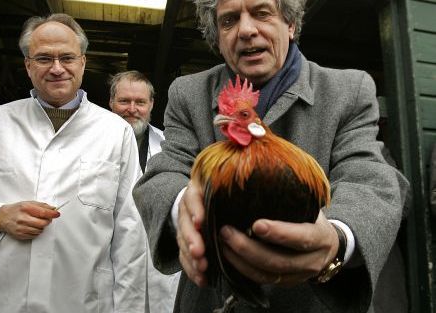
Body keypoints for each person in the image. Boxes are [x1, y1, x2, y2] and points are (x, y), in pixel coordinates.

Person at [132, 0, 410, 312]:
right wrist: (186, 207)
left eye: (262, 13)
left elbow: (370, 176)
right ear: (218, 37)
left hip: (312, 303)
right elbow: (165, 169)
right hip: (213, 298)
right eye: (229, 20)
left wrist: (336, 239)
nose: (247, 30)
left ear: (290, 25)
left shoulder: (348, 89)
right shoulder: (189, 93)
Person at [0, 13, 146, 313]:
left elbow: (131, 236)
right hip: (2, 301)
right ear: (28, 65)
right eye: (44, 58)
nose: (57, 68)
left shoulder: (115, 132)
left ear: (83, 63)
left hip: (83, 303)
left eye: (67, 58)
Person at [109, 70, 181, 313]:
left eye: (140, 102)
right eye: (124, 101)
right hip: (110, 262)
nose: (132, 108)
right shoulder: (92, 146)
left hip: (159, 265)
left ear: (151, 105)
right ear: (111, 103)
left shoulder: (170, 148)